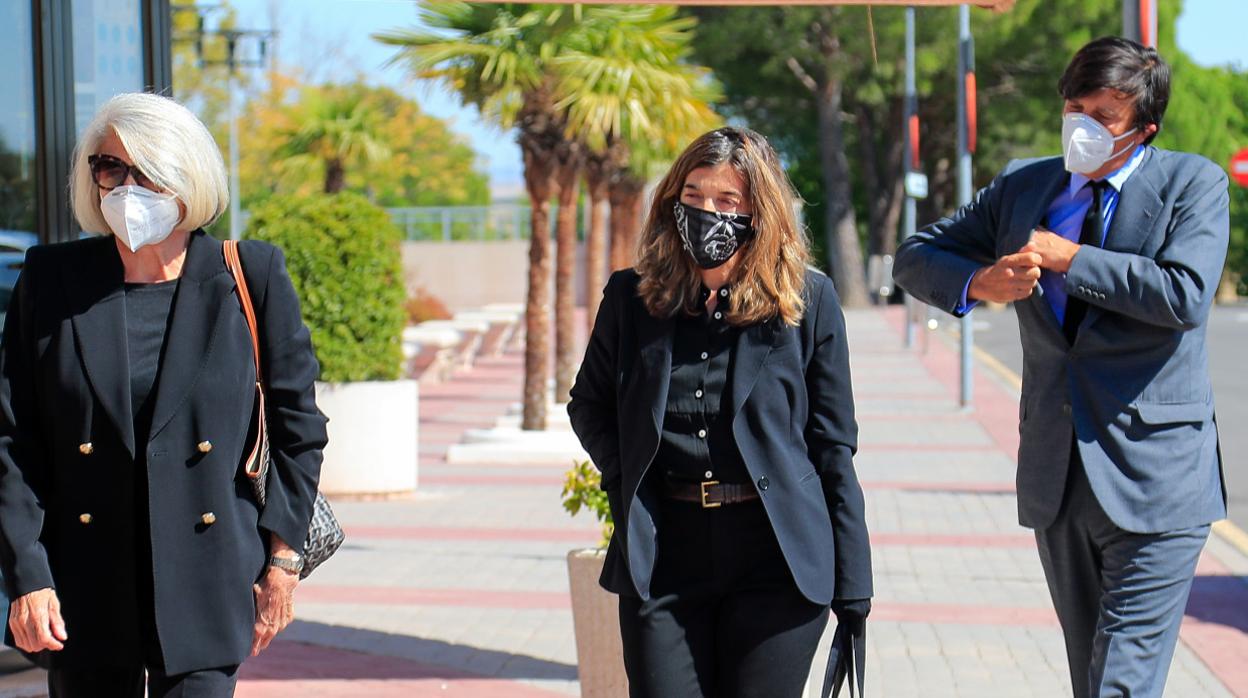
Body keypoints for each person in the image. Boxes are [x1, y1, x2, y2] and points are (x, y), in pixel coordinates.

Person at [893, 37, 1228, 698]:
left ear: (1143, 128)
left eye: (1105, 114)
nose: (1084, 124)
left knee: (1120, 684)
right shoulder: (1025, 185)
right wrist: (979, 282)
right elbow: (915, 256)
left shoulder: (1192, 183)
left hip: (1157, 481)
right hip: (1058, 478)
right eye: (1075, 106)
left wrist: (1070, 258)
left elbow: (1184, 294)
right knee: (1090, 678)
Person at [0, 92, 328, 697]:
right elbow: (13, 439)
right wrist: (26, 575)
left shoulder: (248, 274)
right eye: (110, 168)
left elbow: (297, 430)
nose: (127, 187)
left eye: (147, 171)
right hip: (82, 590)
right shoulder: (52, 279)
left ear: (186, 177)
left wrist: (283, 563)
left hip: (207, 582)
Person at [567, 126, 872, 697]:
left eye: (727, 200)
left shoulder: (808, 302)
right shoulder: (632, 299)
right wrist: (626, 474)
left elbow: (833, 448)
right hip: (664, 554)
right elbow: (589, 403)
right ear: (672, 201)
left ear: (760, 213)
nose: (707, 211)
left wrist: (854, 585)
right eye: (694, 195)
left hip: (778, 559)